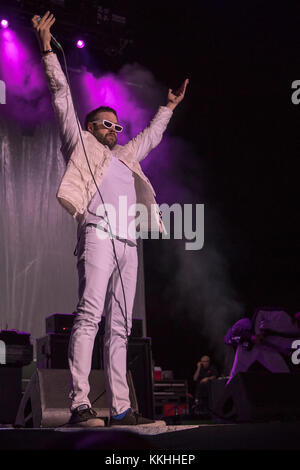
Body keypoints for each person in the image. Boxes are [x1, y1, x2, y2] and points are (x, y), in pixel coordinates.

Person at [32, 12, 189, 427]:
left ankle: (120, 408)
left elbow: (150, 138)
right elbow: (61, 95)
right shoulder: (80, 142)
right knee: (90, 315)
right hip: (99, 234)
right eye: (108, 124)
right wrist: (47, 48)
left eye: (118, 126)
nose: (115, 130)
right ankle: (80, 404)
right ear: (91, 125)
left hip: (128, 240)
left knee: (120, 326)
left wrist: (167, 108)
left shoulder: (124, 156)